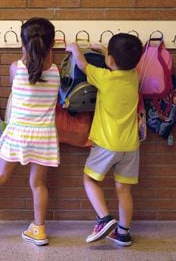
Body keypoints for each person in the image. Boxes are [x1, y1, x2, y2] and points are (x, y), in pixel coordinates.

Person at [0, 17, 60, 246]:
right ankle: (39, 230)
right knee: (38, 184)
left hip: (17, 133)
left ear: (22, 44)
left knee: (1, 174)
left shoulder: (16, 68)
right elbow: (45, 63)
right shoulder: (55, 72)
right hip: (43, 136)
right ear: (51, 46)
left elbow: (25, 70)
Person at [66, 33, 143, 247]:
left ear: (110, 61)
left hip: (107, 144)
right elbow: (119, 64)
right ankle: (123, 233)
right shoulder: (134, 76)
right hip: (131, 146)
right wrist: (103, 50)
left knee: (89, 179)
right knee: (124, 189)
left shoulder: (104, 78)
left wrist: (74, 49)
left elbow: (82, 65)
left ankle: (104, 218)